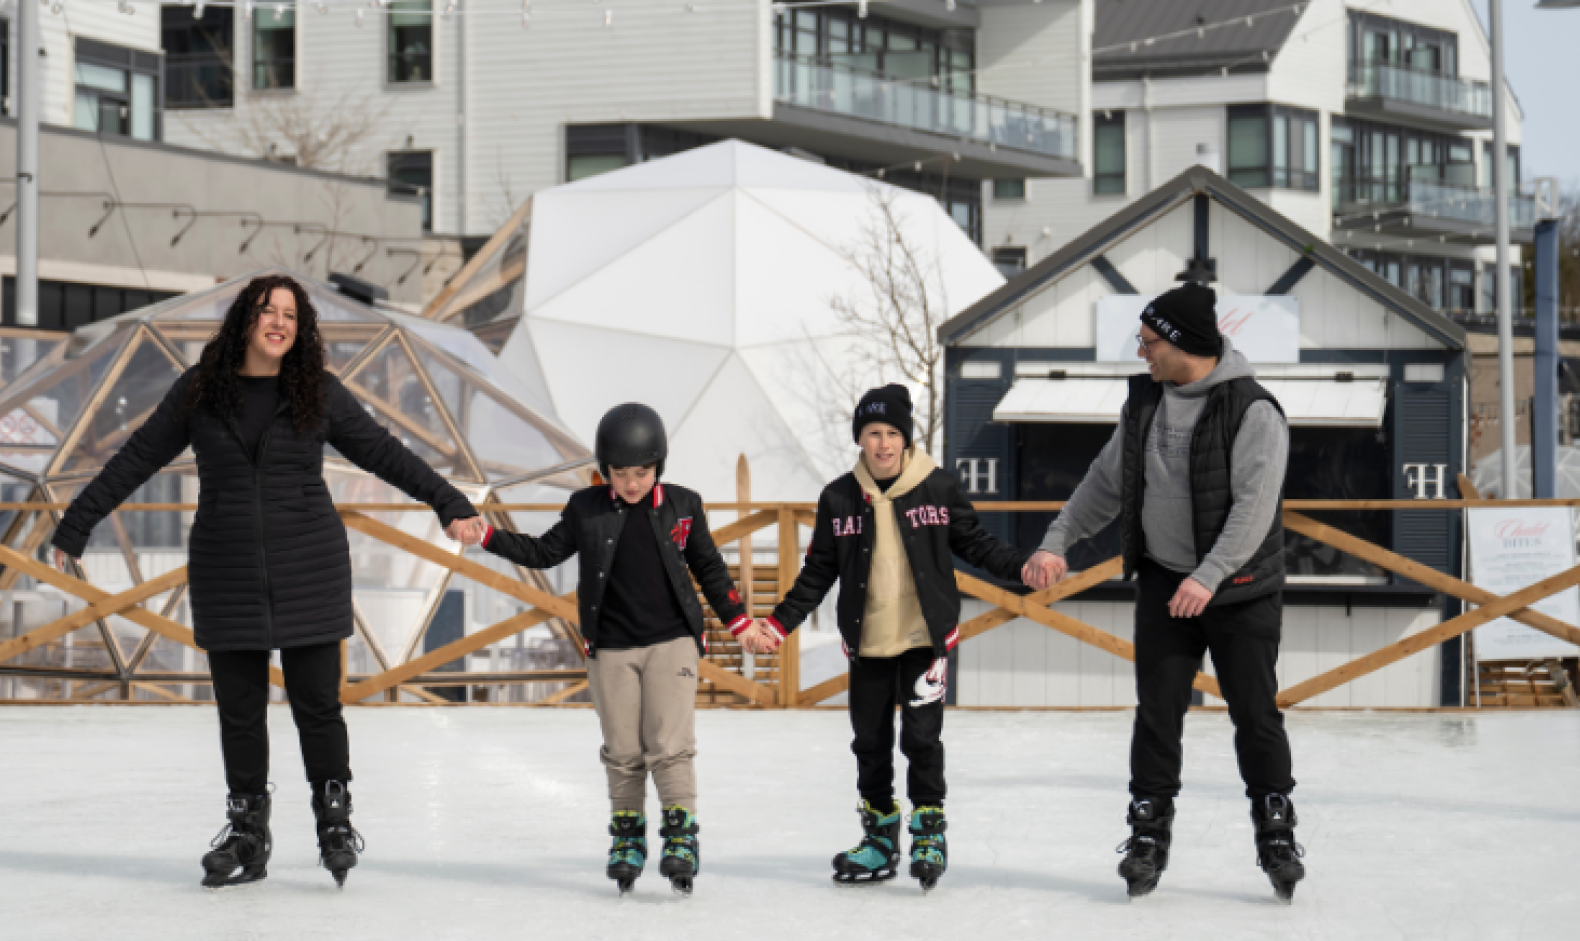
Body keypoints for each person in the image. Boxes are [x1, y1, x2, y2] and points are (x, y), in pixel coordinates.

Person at [51, 275, 484, 889]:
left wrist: (449, 502)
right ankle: (248, 831)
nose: (278, 321)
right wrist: (77, 522)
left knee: (318, 707)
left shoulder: (317, 392)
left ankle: (334, 820)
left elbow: (386, 454)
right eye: (266, 311)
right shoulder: (201, 392)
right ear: (244, 321)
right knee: (240, 713)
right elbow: (137, 456)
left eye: (289, 313)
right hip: (227, 571)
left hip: (309, 564)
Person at [1021, 283, 1304, 902]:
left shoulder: (1254, 411)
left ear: (1180, 344)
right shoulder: (1146, 404)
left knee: (1254, 713)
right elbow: (1105, 482)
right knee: (1158, 714)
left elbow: (1255, 509)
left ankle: (1275, 828)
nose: (1141, 354)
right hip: (1163, 581)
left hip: (1240, 590)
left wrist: (1209, 577)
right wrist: (1057, 539)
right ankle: (1149, 832)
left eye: (1149, 342)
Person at [759, 384, 1028, 891]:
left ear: (905, 438)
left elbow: (976, 543)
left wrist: (1023, 567)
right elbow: (818, 571)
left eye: (891, 433)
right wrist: (778, 624)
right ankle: (880, 838)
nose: (882, 443)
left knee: (922, 739)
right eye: (872, 433)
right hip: (868, 645)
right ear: (859, 439)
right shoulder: (839, 497)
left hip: (925, 640)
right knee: (870, 742)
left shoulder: (938, 487)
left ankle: (928, 831)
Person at [478, 403, 751, 896]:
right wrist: (488, 535)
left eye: (641, 472)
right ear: (605, 471)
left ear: (658, 467)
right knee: (623, 751)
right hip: (612, 646)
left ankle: (680, 835)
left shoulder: (683, 506)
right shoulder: (588, 509)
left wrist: (738, 620)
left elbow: (709, 568)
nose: (631, 483)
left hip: (672, 641)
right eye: (620, 473)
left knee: (669, 745)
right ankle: (627, 839)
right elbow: (544, 552)